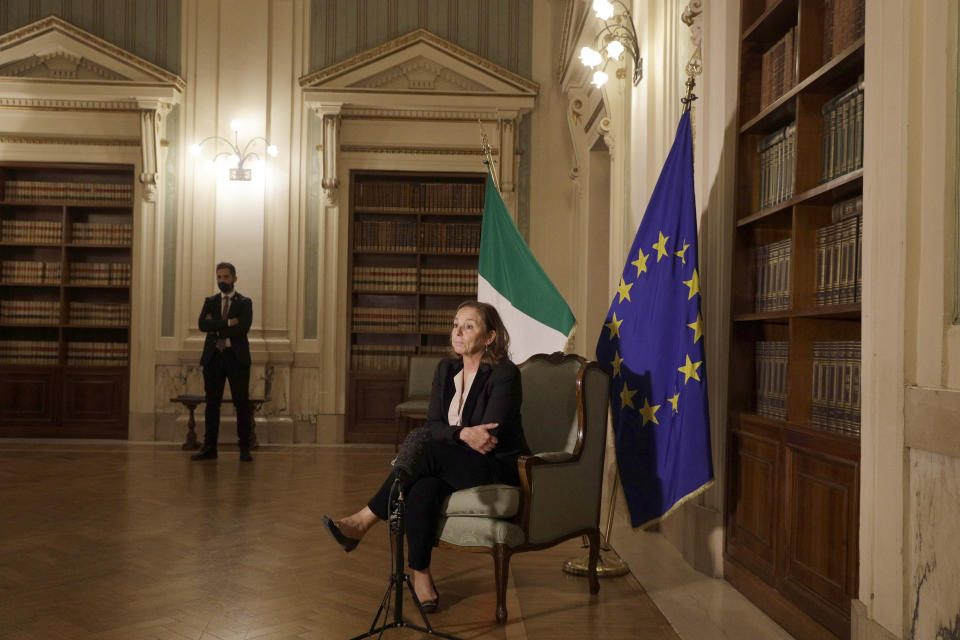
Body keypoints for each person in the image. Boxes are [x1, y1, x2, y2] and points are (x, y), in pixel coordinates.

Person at [323, 301, 529, 612]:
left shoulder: (504, 374)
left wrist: (453, 435)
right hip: (451, 459)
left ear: (490, 337)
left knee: (425, 451)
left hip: (493, 464)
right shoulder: (446, 369)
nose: (457, 332)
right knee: (421, 487)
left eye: (468, 326)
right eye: (455, 324)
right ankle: (421, 576)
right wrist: (461, 434)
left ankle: (364, 520)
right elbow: (433, 424)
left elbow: (488, 435)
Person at [192, 262, 254, 462]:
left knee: (241, 404)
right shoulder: (210, 301)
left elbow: (242, 328)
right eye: (219, 277)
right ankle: (209, 447)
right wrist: (228, 322)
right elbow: (202, 324)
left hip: (236, 358)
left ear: (234, 279)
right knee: (212, 404)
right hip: (213, 358)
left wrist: (215, 327)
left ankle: (244, 447)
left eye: (226, 277)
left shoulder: (245, 302)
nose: (222, 281)